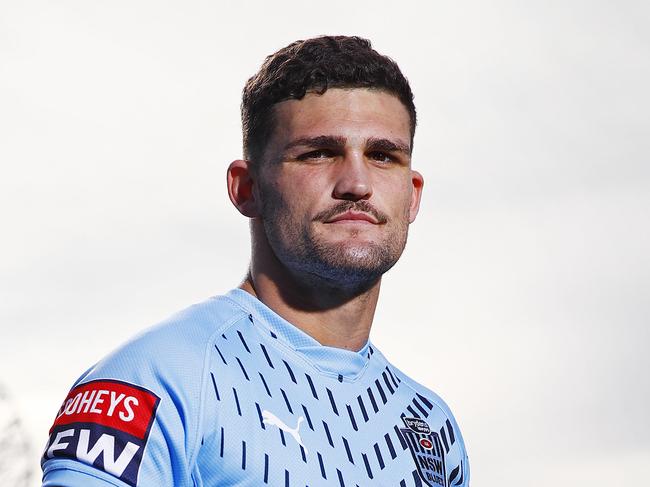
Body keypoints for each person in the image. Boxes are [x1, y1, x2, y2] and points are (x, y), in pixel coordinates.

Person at [41, 35, 470, 487]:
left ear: (413, 196)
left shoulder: (432, 428)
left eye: (383, 156)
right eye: (319, 153)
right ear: (248, 189)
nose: (356, 183)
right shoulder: (156, 379)